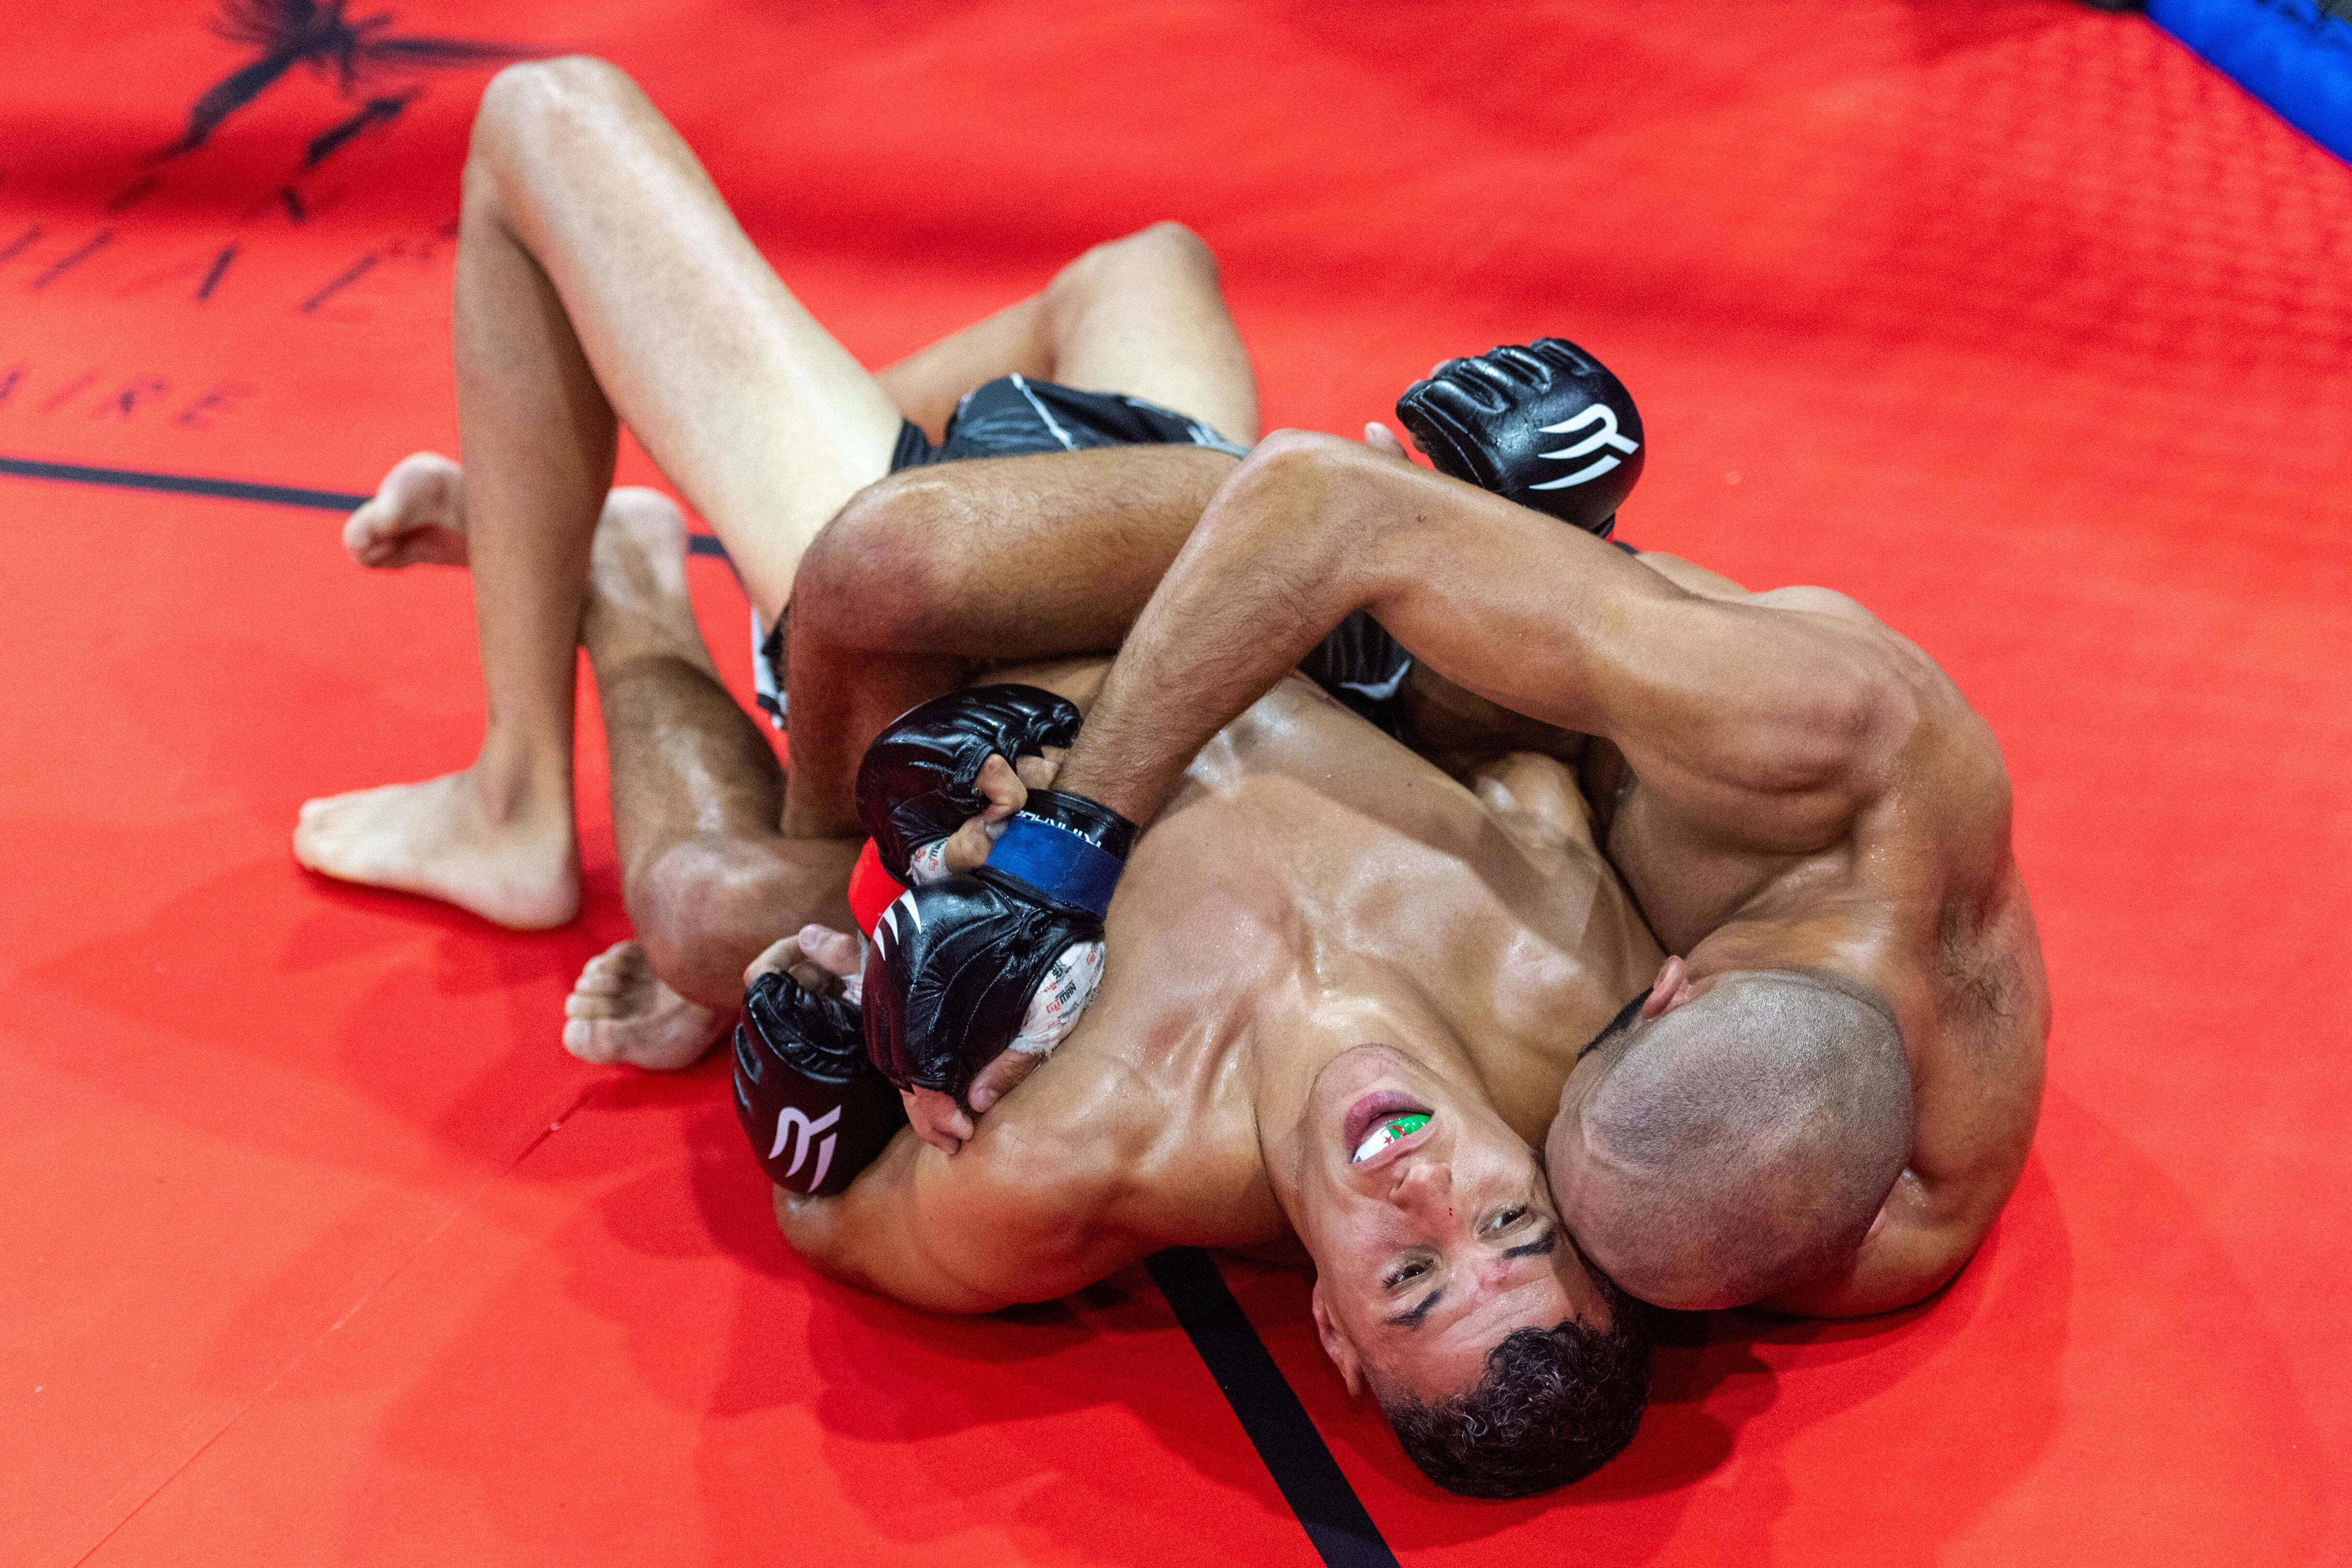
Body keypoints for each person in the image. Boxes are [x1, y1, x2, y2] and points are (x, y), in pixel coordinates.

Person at [291, 57, 1654, 1493]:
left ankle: (552, 724)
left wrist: (804, 1015)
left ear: (1329, 1326)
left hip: (918, 665)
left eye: (1412, 1282)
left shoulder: (1085, 1158)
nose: (1428, 1191)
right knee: (1144, 265)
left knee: (543, 122)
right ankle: (611, 504)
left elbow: (831, 1215)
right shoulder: (1574, 991)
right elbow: (1547, 740)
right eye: (1511, 1229)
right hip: (1165, 542)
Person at [900, 353, 2049, 1318]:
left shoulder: (1859, 1228)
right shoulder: (1803, 726)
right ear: (1664, 991)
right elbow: (1320, 497)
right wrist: (1058, 856)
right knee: (880, 569)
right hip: (1403, 618)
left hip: (1442, 732)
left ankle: (1134, 303)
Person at [291, 54, 1255, 1068]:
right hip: (1118, 548)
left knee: (541, 115)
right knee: (1149, 263)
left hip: (982, 640)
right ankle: (651, 490)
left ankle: (515, 792)